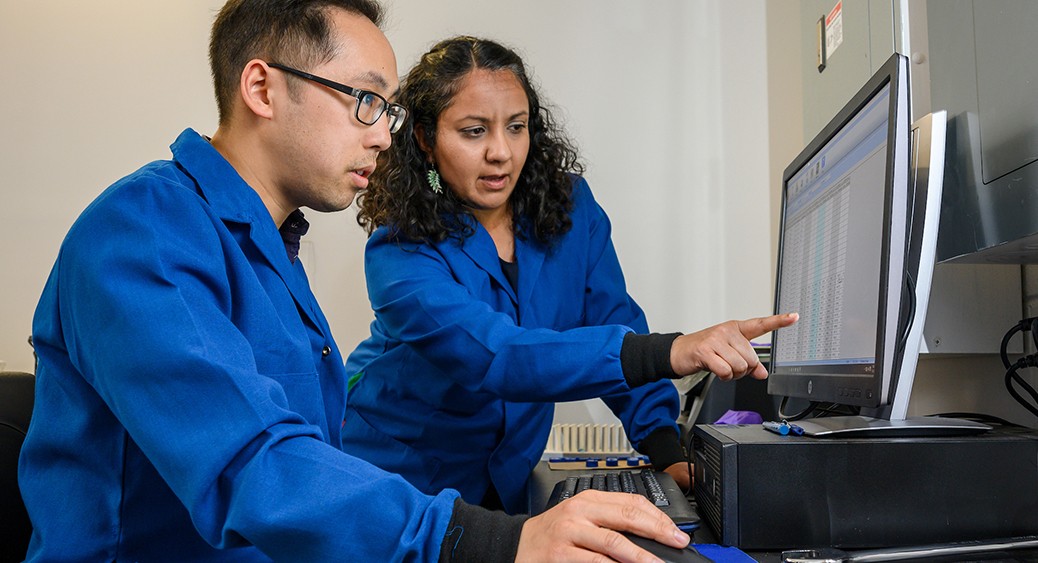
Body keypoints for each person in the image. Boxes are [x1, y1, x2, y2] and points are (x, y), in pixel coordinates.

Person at [18, 2, 698, 561]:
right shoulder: (146, 231)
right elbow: (257, 466)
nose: (382, 135)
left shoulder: (269, 247)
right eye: (364, 100)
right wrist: (491, 540)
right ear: (262, 88)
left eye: (388, 108)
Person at [345, 36, 797, 514]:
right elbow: (495, 355)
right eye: (474, 131)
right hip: (397, 477)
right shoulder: (399, 248)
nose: (501, 152)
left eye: (516, 127)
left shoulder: (570, 210)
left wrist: (666, 452)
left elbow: (613, 318)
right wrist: (672, 350)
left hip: (507, 481)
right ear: (425, 139)